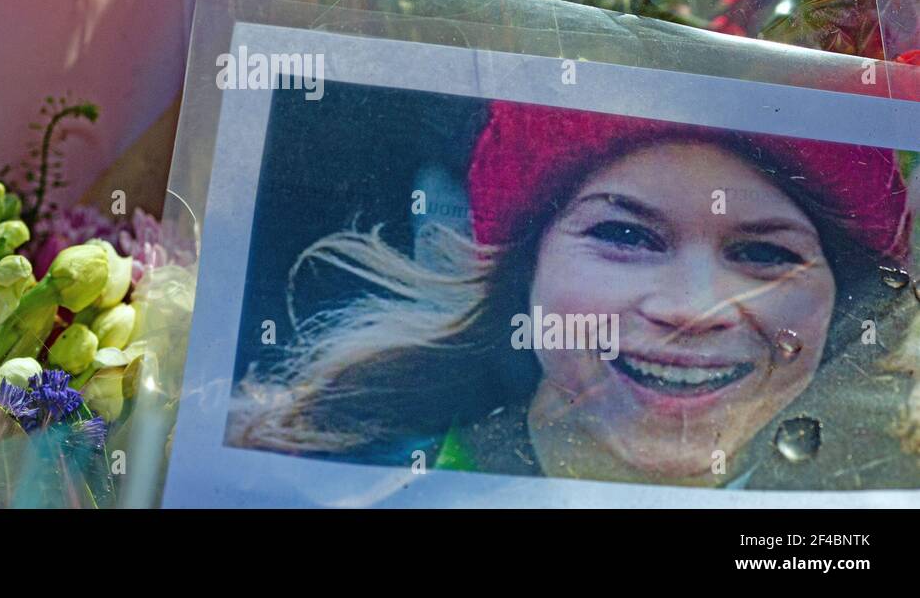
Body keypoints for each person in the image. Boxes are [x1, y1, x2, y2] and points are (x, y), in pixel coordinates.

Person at [228, 99, 916, 488]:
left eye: (765, 254)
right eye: (625, 235)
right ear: (526, 271)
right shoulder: (325, 478)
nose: (689, 309)